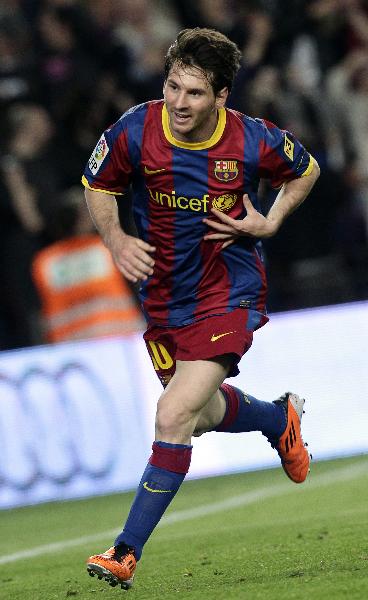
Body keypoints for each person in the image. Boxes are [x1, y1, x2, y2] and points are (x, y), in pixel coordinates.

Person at [82, 28, 320, 590]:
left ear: (221, 96)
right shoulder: (137, 128)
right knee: (202, 412)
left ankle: (125, 552)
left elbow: (304, 169)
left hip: (228, 290)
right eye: (172, 87)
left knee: (172, 414)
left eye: (193, 93)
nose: (178, 103)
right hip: (164, 296)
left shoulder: (250, 139)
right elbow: (97, 183)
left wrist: (272, 218)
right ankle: (276, 417)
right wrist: (117, 241)